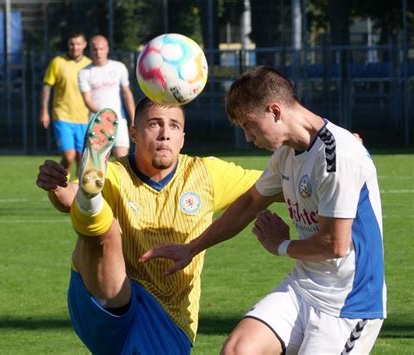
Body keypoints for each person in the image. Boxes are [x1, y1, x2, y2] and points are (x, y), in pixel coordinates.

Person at [141, 66, 387, 354]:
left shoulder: (337, 156)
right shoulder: (286, 155)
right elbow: (249, 203)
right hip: (304, 287)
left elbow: (335, 245)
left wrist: (280, 245)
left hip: (349, 304)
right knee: (238, 350)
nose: (248, 137)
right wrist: (192, 248)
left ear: (275, 111)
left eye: (249, 125)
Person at [35, 97, 263, 354]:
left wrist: (309, 159)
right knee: (107, 230)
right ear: (134, 134)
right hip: (106, 299)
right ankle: (92, 205)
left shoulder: (206, 174)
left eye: (174, 126)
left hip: (171, 319)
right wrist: (58, 187)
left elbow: (274, 184)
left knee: (102, 220)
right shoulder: (113, 174)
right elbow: (70, 196)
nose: (165, 134)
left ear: (183, 138)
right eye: (155, 124)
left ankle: (92, 206)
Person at [40, 32, 92, 178]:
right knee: (68, 157)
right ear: (68, 45)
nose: (75, 47)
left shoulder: (89, 65)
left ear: (84, 45)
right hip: (62, 116)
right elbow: (46, 86)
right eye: (72, 44)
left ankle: (77, 192)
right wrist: (44, 111)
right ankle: (59, 183)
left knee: (81, 159)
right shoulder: (58, 62)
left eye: (78, 44)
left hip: (83, 118)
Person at [78, 35, 135, 159]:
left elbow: (127, 93)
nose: (98, 52)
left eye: (101, 49)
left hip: (119, 121)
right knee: (98, 164)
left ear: (107, 49)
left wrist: (133, 118)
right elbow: (87, 100)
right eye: (95, 49)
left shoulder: (119, 67)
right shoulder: (84, 73)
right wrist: (104, 116)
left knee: (122, 161)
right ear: (90, 51)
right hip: (97, 124)